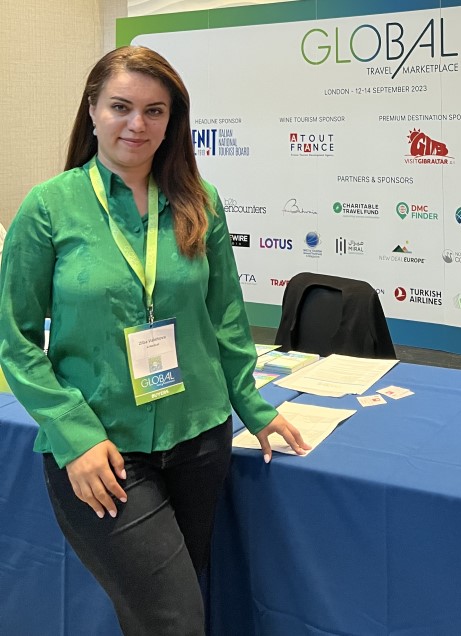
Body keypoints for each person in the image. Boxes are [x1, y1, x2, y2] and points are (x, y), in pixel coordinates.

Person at [0, 45, 310, 635]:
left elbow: (226, 318)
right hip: (105, 451)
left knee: (162, 615)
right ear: (92, 109)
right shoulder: (49, 207)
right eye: (121, 106)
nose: (137, 124)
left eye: (155, 111)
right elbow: (14, 338)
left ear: (173, 121)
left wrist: (253, 406)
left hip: (200, 438)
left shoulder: (199, 200)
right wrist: (74, 434)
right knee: (175, 622)